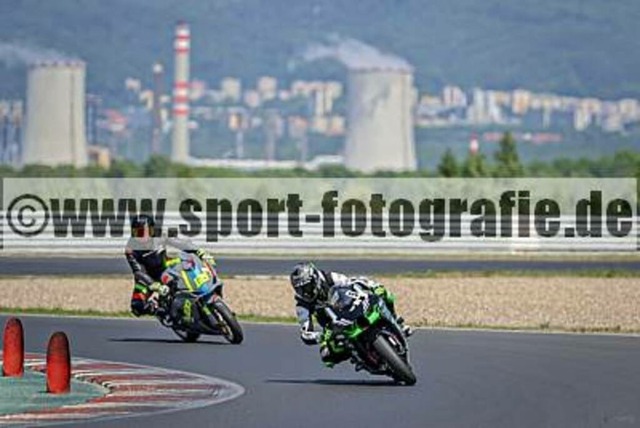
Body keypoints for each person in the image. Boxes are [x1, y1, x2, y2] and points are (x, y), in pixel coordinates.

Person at [289, 262, 411, 367]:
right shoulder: (302, 305)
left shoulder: (329, 277)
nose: (305, 292)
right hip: (333, 327)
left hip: (350, 307)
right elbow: (305, 333)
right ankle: (356, 355)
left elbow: (352, 282)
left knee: (385, 293)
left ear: (315, 278)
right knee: (326, 355)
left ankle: (395, 320)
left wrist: (369, 287)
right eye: (300, 289)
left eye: (307, 287)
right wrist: (320, 336)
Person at [125, 214, 216, 316]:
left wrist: (199, 251)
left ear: (152, 229)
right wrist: (152, 284)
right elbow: (138, 271)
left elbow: (180, 243)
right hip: (147, 278)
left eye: (145, 232)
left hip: (165, 269)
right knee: (137, 306)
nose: (142, 237)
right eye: (137, 233)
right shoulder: (130, 249)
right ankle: (160, 311)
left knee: (186, 273)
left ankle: (200, 298)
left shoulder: (161, 234)